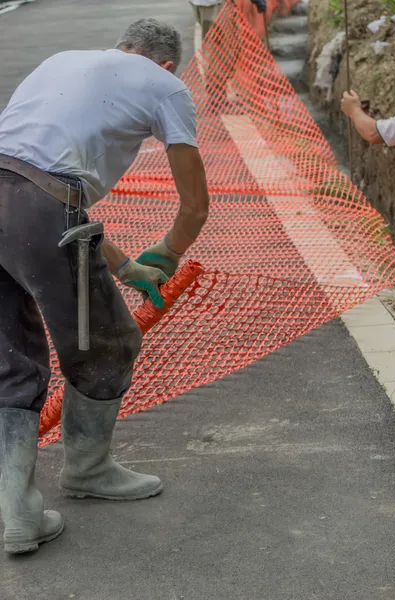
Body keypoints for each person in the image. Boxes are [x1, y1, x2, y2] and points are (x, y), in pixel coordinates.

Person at [0, 18, 209, 554]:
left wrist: (124, 267)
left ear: (122, 48)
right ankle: (88, 472)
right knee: (109, 343)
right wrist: (166, 254)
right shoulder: (166, 84)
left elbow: (35, 178)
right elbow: (194, 205)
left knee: (12, 362)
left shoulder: (61, 61)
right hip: (40, 211)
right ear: (163, 63)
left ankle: (20, 513)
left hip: (14, 195)